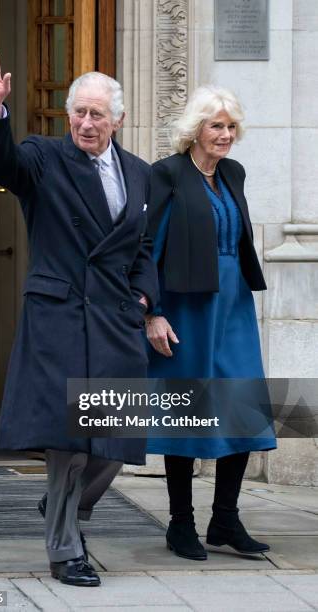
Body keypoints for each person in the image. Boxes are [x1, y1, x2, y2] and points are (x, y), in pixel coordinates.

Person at [0, 50, 158, 586]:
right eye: (79, 113)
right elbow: (2, 163)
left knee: (116, 439)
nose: (87, 123)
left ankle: (59, 507)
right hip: (62, 316)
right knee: (70, 443)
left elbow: (143, 250)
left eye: (98, 114)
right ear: (67, 115)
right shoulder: (43, 158)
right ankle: (64, 549)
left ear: (118, 120)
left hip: (116, 322)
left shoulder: (140, 174)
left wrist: (144, 300)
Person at [145, 85, 276, 561]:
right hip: (187, 306)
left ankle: (225, 519)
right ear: (194, 129)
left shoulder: (233, 173)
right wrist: (151, 312)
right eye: (216, 125)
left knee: (241, 403)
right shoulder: (167, 174)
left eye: (231, 126)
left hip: (233, 303)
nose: (225, 135)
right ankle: (181, 524)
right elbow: (149, 246)